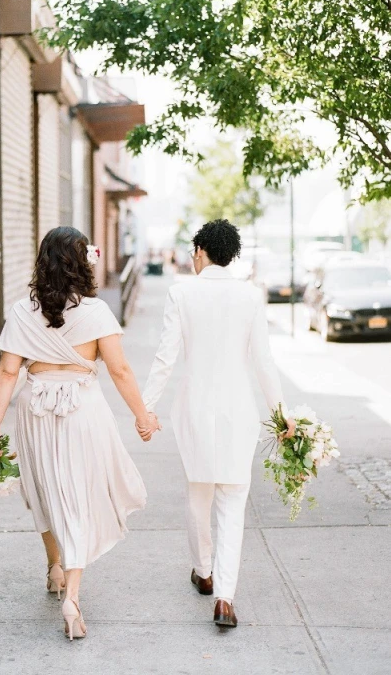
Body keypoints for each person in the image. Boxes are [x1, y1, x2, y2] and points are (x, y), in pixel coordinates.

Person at [0, 226, 160, 641]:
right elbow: (119, 370)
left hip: (35, 407)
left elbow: (8, 371)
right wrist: (142, 416)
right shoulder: (96, 312)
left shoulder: (21, 310)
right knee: (77, 496)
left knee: (44, 489)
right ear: (83, 262)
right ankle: (73, 597)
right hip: (82, 408)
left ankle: (54, 569)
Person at [141, 219, 295, 628]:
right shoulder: (250, 296)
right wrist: (281, 413)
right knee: (232, 501)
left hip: (194, 410)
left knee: (198, 495)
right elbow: (263, 361)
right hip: (238, 412)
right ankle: (225, 599)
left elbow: (165, 358)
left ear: (199, 251)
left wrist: (146, 408)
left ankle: (204, 572)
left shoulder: (181, 293)